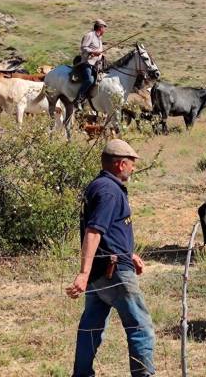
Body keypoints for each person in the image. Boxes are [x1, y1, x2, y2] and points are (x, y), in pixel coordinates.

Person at [67, 139, 155, 377]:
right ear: (120, 164)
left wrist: (129, 254)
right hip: (113, 272)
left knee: (90, 327)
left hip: (102, 269)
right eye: (131, 164)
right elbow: (94, 231)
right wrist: (83, 274)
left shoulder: (98, 185)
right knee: (141, 327)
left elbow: (108, 229)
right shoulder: (109, 191)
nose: (133, 168)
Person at [75, 19, 108, 110]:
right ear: (100, 28)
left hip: (96, 65)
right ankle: (78, 99)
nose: (105, 30)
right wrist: (93, 52)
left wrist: (101, 54)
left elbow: (97, 50)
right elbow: (84, 47)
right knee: (89, 80)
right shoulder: (89, 35)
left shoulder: (99, 39)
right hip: (87, 62)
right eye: (104, 28)